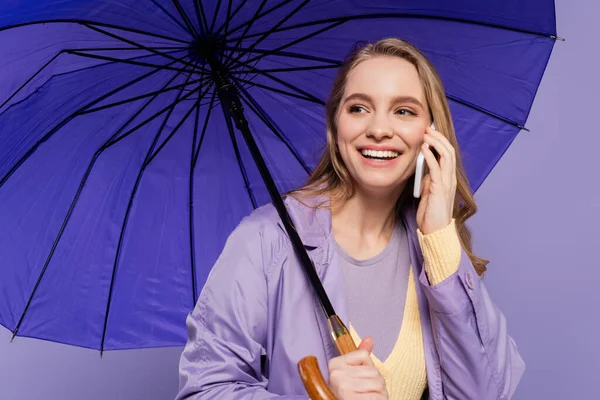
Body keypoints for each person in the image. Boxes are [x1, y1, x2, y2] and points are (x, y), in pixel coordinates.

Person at [175, 38, 525, 400]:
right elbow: (204, 391)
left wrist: (439, 238)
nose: (378, 129)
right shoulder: (266, 239)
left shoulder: (435, 251)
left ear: (431, 134)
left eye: (404, 111)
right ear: (335, 126)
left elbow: (486, 393)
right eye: (359, 108)